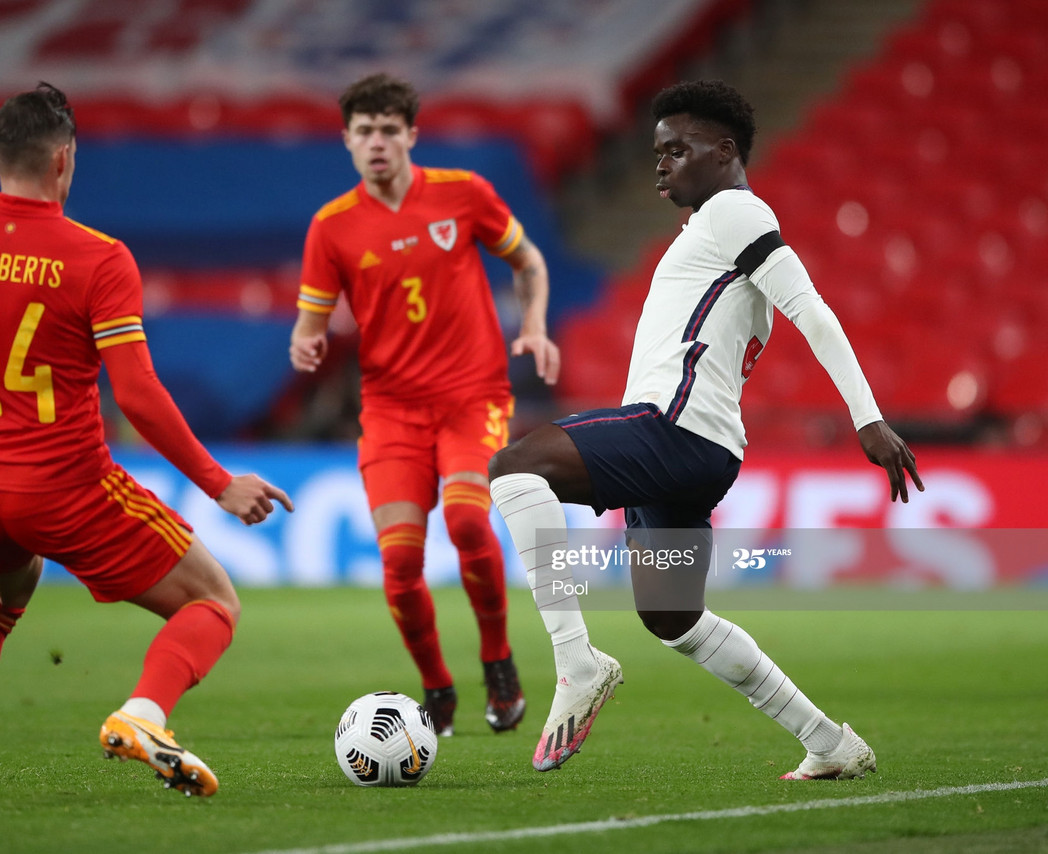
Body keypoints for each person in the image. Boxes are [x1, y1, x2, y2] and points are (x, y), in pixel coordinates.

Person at [488, 80, 924, 777]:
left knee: (515, 468)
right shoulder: (710, 230)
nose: (661, 164)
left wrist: (867, 417)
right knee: (673, 618)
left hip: (672, 434)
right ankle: (829, 743)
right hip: (698, 453)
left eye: (676, 149)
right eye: (658, 152)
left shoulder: (735, 213)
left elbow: (812, 309)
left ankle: (576, 663)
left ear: (723, 151)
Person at [0, 83, 292, 799]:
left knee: (2, 593)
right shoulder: (98, 258)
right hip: (64, 490)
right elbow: (137, 394)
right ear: (65, 161)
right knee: (214, 601)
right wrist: (218, 481)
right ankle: (144, 715)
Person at [289, 73, 560, 736]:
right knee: (400, 564)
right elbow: (309, 321)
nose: (377, 141)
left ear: (411, 134)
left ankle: (498, 662)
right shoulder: (331, 228)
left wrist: (534, 325)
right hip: (390, 411)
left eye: (388, 129)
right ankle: (437, 686)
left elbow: (528, 262)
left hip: (472, 398)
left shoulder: (463, 195)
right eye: (364, 131)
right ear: (347, 141)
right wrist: (307, 341)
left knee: (469, 525)